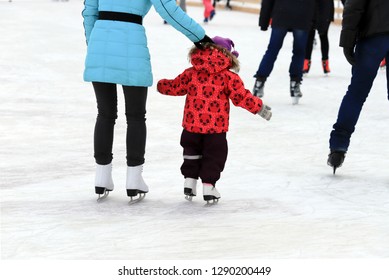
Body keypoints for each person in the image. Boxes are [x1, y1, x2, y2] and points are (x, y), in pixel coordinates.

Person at [82, 0, 213, 201]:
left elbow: (89, 12)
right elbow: (168, 9)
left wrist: (95, 44)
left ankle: (102, 177)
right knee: (135, 116)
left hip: (100, 45)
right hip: (131, 46)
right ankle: (134, 179)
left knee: (105, 114)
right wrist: (201, 38)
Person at [156, 36, 272, 203]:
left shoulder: (191, 73)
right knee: (214, 155)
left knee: (191, 152)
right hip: (215, 128)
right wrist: (259, 107)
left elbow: (175, 86)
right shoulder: (228, 77)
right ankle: (209, 186)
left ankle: (189, 181)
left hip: (191, 125)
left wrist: (160, 85)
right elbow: (241, 97)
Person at [327, 0, 389, 173]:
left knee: (356, 94)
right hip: (372, 35)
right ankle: (338, 145)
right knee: (356, 94)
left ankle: (338, 146)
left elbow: (354, 5)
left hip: (372, 37)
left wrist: (347, 40)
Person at [252, 0, 316, 104]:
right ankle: (295, 83)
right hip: (302, 15)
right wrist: (320, 21)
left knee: (273, 49)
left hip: (283, 14)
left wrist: (264, 20)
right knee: (298, 52)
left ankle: (259, 82)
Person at [303, 0, 334, 74]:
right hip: (312, 8)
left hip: (325, 9)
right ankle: (306, 63)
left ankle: (325, 63)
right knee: (310, 36)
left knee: (323, 35)